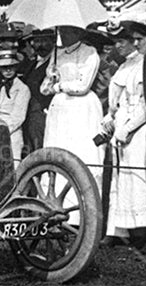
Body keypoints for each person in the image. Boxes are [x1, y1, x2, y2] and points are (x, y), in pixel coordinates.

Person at [99, 14, 146, 247]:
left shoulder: (144, 64)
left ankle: (144, 231)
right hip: (122, 124)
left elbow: (145, 103)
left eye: (124, 40)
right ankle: (122, 228)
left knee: (139, 179)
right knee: (120, 180)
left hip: (138, 128)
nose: (118, 45)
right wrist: (109, 118)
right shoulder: (125, 66)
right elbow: (117, 101)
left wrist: (128, 128)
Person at [42, 25, 104, 195]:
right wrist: (51, 77)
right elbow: (44, 89)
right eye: (61, 30)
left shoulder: (89, 52)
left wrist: (59, 85)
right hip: (60, 108)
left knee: (80, 149)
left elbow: (83, 85)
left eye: (68, 30)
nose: (63, 34)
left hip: (81, 108)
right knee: (58, 146)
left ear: (78, 32)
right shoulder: (57, 53)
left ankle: (83, 203)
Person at [0, 50, 30, 162]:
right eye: (4, 67)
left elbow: (18, 117)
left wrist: (0, 131)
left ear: (16, 67)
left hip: (11, 133)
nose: (8, 70)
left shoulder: (22, 89)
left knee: (12, 165)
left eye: (11, 67)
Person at [23, 28, 55, 152]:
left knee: (40, 147)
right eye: (37, 41)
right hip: (29, 114)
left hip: (43, 113)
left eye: (45, 40)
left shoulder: (55, 64)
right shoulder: (30, 63)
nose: (40, 45)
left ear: (53, 41)